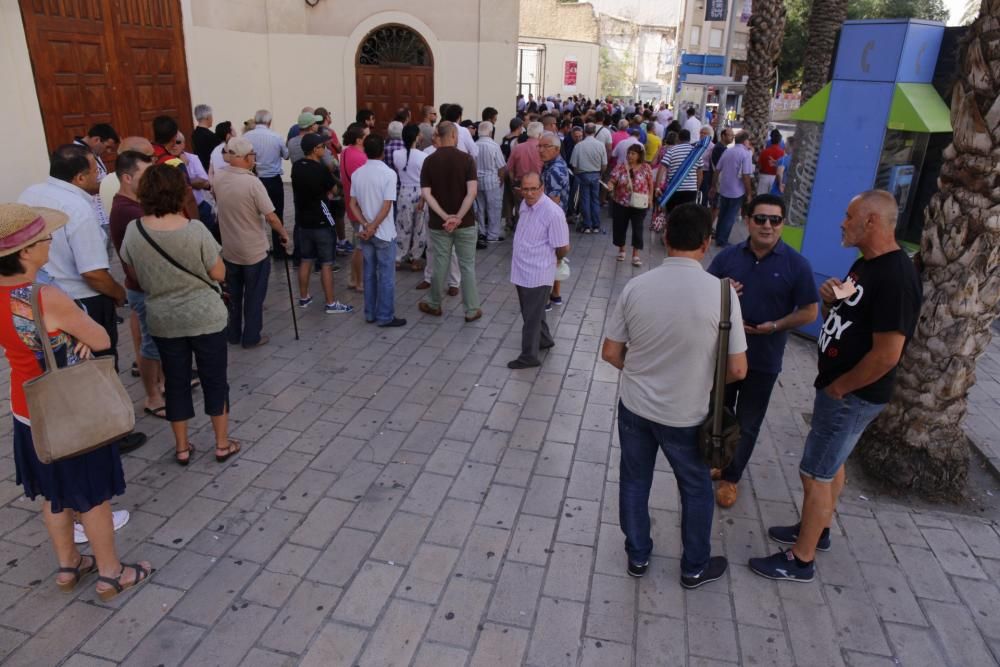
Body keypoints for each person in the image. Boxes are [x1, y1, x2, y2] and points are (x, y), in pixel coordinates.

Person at [750, 190, 922, 582]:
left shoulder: (897, 277)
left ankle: (801, 559)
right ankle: (818, 528)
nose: (842, 223)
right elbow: (846, 315)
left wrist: (840, 388)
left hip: (850, 396)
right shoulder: (867, 264)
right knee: (832, 465)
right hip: (840, 390)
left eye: (849, 216)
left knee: (815, 473)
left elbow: (888, 354)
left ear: (872, 222)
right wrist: (830, 300)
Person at [0, 202, 151, 600]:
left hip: (27, 407)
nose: (50, 240)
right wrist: (80, 338)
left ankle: (69, 566)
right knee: (93, 496)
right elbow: (101, 339)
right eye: (43, 237)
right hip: (69, 407)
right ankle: (111, 573)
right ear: (26, 251)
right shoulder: (44, 295)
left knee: (53, 493)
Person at [602, 203, 747, 586]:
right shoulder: (722, 295)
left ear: (665, 238)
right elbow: (738, 369)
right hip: (688, 413)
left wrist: (641, 373)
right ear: (706, 242)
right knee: (696, 488)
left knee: (634, 480)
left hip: (635, 408)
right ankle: (694, 566)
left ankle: (637, 556)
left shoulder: (636, 287)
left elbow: (611, 353)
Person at [18, 144, 146, 457]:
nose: (100, 175)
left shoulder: (30, 193)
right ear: (79, 177)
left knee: (62, 367)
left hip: (38, 298)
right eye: (94, 169)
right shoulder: (78, 208)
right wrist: (118, 294)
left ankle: (71, 423)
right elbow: (93, 273)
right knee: (98, 368)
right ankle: (106, 434)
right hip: (81, 300)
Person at [120, 165, 241, 466]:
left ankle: (182, 447)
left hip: (163, 318)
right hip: (205, 317)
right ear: (179, 192)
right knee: (215, 379)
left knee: (175, 382)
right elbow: (218, 272)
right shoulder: (195, 230)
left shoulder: (134, 231)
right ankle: (222, 444)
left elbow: (133, 273)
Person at [707, 194, 819, 508]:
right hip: (724, 355)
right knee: (721, 413)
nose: (767, 226)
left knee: (749, 422)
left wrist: (775, 325)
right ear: (747, 220)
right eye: (760, 219)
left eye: (774, 220)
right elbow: (700, 293)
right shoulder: (728, 257)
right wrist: (721, 291)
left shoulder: (796, 265)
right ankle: (718, 461)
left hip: (764, 358)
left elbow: (809, 311)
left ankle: (732, 477)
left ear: (783, 224)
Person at [212, 137, 290, 347]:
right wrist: (284, 234)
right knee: (254, 296)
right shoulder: (252, 182)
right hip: (253, 250)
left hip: (230, 249)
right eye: (253, 155)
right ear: (246, 157)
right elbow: (271, 216)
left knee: (235, 295)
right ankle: (251, 336)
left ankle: (233, 333)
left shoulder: (219, 176)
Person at [109, 150, 166, 420]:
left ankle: (161, 385)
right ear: (127, 177)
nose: (150, 178)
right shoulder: (128, 210)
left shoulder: (132, 204)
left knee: (155, 342)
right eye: (145, 174)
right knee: (150, 345)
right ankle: (153, 397)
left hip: (146, 285)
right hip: (143, 288)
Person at [418, 121, 481, 322]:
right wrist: (458, 217)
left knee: (440, 263)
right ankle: (471, 309)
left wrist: (445, 216)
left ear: (439, 135)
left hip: (439, 223)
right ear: (454, 135)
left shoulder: (429, 161)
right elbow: (472, 193)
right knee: (467, 266)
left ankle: (434, 303)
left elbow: (426, 194)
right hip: (466, 222)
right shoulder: (467, 159)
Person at [508, 172, 570, 369]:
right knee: (532, 311)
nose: (529, 193)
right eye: (525, 189)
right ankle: (544, 340)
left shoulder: (553, 212)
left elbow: (562, 246)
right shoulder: (524, 206)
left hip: (538, 271)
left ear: (542, 188)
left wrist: (556, 262)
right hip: (521, 268)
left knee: (531, 317)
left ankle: (529, 356)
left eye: (534, 189)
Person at [292, 133, 353, 315]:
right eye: (322, 147)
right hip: (321, 219)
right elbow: (333, 190)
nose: (325, 149)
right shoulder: (320, 169)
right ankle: (331, 302)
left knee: (306, 259)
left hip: (303, 220)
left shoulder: (296, 167)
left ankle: (304, 298)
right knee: (326, 263)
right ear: (315, 149)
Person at [351, 133, 406, 328]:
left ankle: (370, 313)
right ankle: (385, 316)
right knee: (386, 275)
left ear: (365, 150)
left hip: (366, 231)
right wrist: (373, 226)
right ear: (382, 151)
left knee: (369, 273)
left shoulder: (358, 174)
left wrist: (365, 224)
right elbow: (387, 205)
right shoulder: (388, 173)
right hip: (383, 232)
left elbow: (353, 204)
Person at [244, 110, 289, 258]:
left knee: (253, 215)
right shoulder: (276, 137)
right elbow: (286, 155)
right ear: (269, 122)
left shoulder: (246, 137)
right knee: (276, 213)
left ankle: (258, 248)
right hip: (273, 179)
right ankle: (279, 250)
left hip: (253, 179)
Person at [608, 144, 653, 267]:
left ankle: (636, 254)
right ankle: (621, 250)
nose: (630, 156)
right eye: (629, 153)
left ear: (639, 155)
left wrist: (650, 198)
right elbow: (612, 179)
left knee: (638, 228)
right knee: (620, 226)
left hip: (639, 203)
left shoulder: (646, 168)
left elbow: (650, 184)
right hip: (621, 202)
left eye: (633, 153)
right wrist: (611, 185)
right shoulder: (621, 167)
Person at [538, 132, 570, 309]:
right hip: (558, 219)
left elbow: (553, 201)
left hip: (552, 221)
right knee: (556, 257)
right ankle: (555, 294)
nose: (541, 150)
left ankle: (546, 299)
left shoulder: (554, 169)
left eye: (546, 146)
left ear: (556, 149)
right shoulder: (551, 165)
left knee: (549, 258)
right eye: (540, 146)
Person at [341, 123, 370, 292]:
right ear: (359, 139)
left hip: (351, 204)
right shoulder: (360, 158)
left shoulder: (346, 152)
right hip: (359, 207)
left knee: (357, 243)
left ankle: (353, 278)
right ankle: (359, 282)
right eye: (366, 135)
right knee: (361, 247)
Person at [712, 131, 754, 246]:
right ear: (745, 141)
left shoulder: (728, 151)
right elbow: (746, 175)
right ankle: (722, 240)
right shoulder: (745, 154)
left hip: (724, 188)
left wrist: (713, 186)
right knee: (730, 216)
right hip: (737, 191)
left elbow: (717, 170)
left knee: (723, 214)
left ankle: (719, 236)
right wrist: (749, 193)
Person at [168, 133, 215, 236]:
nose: (174, 145)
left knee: (211, 237)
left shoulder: (193, 158)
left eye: (178, 142)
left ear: (184, 144)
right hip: (180, 212)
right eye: (172, 142)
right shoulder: (166, 161)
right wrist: (183, 168)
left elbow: (205, 182)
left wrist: (183, 179)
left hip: (200, 206)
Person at [569, 124, 608, 234]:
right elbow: (604, 164)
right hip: (596, 174)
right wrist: (600, 173)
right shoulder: (600, 145)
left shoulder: (579, 146)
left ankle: (587, 225)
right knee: (595, 200)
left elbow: (574, 164)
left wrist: (578, 173)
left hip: (583, 175)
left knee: (585, 200)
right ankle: (596, 225)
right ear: (594, 132)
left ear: (585, 132)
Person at [657, 129, 704, 212]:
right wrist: (697, 188)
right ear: (689, 139)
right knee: (686, 217)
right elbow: (700, 174)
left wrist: (657, 187)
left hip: (673, 190)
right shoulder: (696, 153)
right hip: (690, 190)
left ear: (678, 138)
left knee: (672, 215)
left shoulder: (672, 150)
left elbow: (661, 169)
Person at [475, 121, 506, 243]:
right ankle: (493, 235)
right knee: (494, 208)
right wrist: (501, 181)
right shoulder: (494, 145)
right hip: (492, 180)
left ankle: (481, 232)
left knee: (480, 208)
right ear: (490, 132)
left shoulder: (474, 144)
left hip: (477, 181)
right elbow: (501, 166)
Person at [192, 104, 220, 171]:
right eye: (211, 116)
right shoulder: (210, 136)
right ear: (207, 117)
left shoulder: (194, 134)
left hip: (200, 169)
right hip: (210, 170)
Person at [757, 130, 785, 195]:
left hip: (764, 177)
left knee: (761, 197)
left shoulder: (764, 151)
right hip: (775, 178)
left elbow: (759, 165)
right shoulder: (782, 153)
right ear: (779, 141)